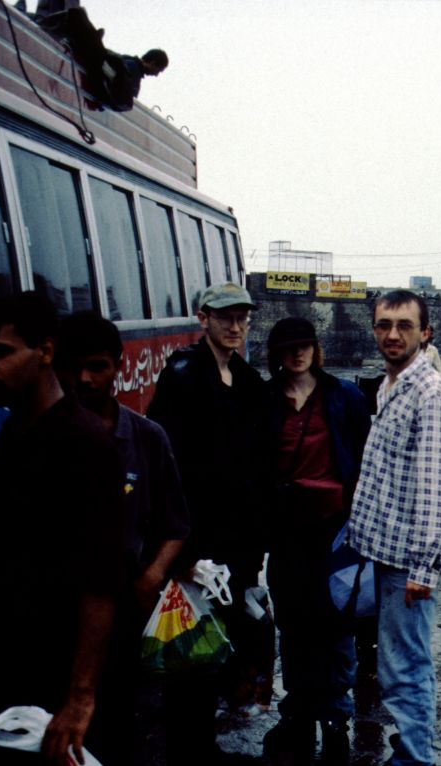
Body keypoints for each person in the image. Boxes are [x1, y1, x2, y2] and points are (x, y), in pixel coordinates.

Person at [0, 291, 128, 766]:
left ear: (45, 351)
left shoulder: (83, 444)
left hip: (57, 682)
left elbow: (101, 582)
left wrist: (79, 699)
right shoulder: (16, 431)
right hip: (12, 670)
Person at [54, 312, 190, 765]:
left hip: (122, 614)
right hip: (52, 616)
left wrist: (149, 578)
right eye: (71, 368)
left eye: (97, 367)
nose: (84, 380)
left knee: (112, 729)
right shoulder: (37, 438)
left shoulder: (147, 438)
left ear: (118, 365)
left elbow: (176, 526)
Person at [146, 282, 270, 764]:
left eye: (241, 317)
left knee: (222, 639)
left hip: (236, 538)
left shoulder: (245, 377)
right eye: (225, 317)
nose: (235, 326)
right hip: (197, 537)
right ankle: (186, 746)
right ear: (204, 319)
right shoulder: (182, 376)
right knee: (189, 643)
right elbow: (167, 463)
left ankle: (203, 740)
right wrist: (181, 546)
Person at [347, 290, 441, 766]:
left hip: (407, 563)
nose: (392, 334)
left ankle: (415, 759)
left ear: (425, 333)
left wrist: (422, 567)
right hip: (383, 547)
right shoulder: (391, 383)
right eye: (383, 325)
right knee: (393, 661)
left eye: (403, 325)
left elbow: (437, 488)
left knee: (405, 667)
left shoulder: (430, 392)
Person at [261, 317, 371, 760]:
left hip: (334, 530)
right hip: (287, 532)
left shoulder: (343, 396)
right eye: (289, 347)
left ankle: (336, 711)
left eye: (305, 345)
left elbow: (364, 460)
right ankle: (300, 705)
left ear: (316, 348)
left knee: (337, 621)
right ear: (277, 355)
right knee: (293, 621)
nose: (298, 353)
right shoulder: (265, 401)